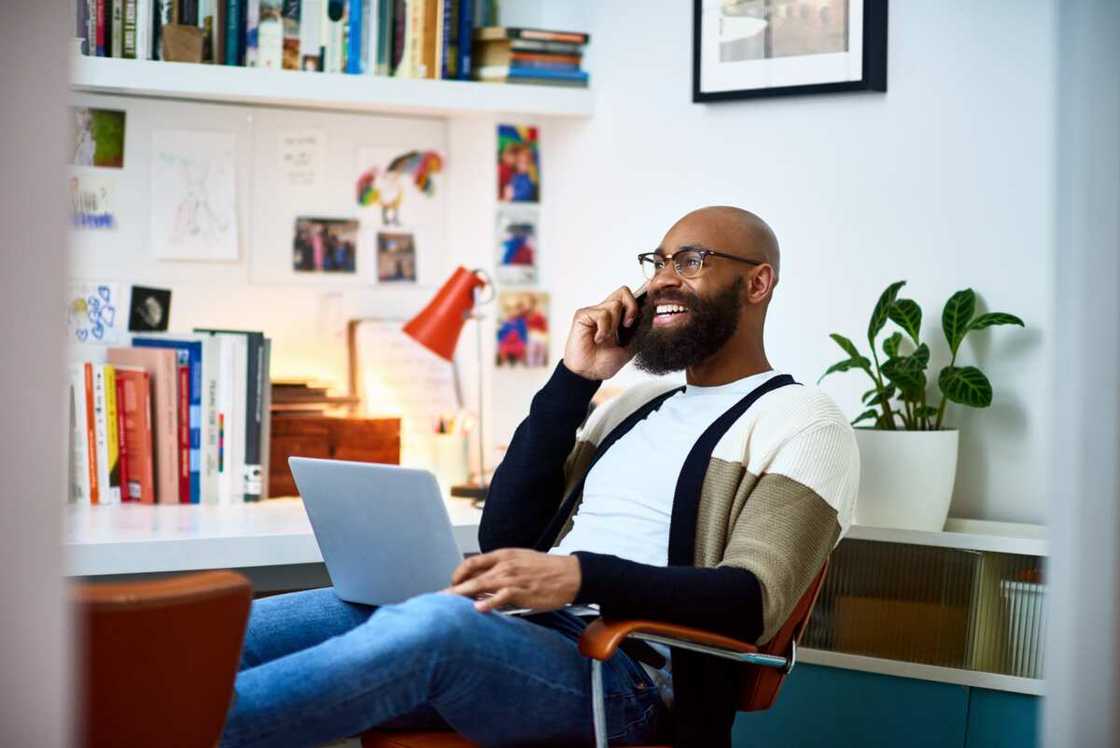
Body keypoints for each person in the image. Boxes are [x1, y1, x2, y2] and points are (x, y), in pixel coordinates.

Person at [219, 206, 859, 748]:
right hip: (514, 630)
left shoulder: (802, 421)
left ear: (757, 284)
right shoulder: (632, 405)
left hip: (620, 674)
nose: (662, 281)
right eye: (657, 263)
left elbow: (749, 600)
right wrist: (576, 378)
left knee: (436, 628)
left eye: (690, 262)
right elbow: (507, 532)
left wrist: (580, 575)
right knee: (234, 631)